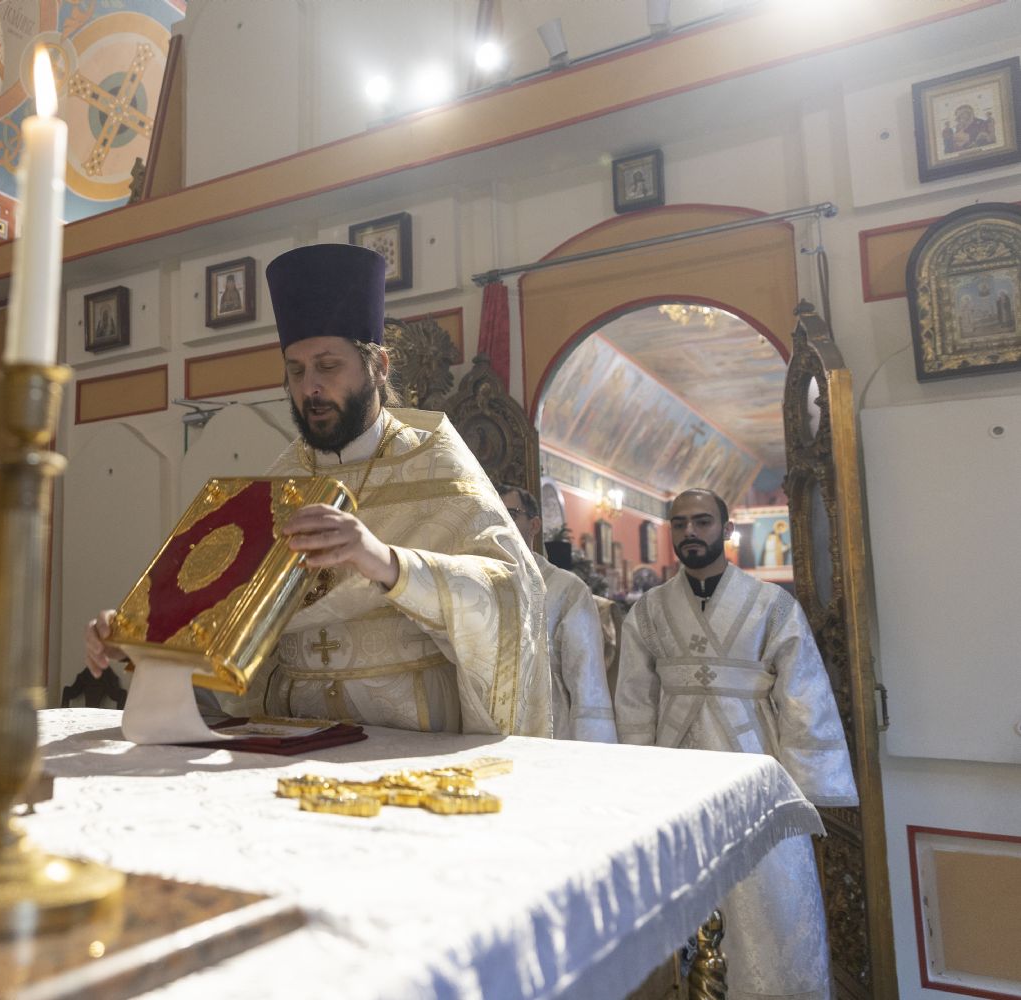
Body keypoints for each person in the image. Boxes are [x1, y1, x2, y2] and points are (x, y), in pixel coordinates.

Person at [86, 243, 552, 737]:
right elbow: (219, 614)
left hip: (409, 736)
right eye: (295, 370)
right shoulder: (282, 481)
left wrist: (387, 563)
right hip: (292, 734)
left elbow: (511, 593)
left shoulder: (437, 464)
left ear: (379, 366)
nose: (309, 387)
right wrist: (139, 635)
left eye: (328, 366)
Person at [614, 488, 857, 1000]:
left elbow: (804, 696)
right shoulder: (649, 611)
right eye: (680, 523)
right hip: (673, 775)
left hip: (756, 772)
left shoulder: (772, 605)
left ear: (726, 530)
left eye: (702, 521)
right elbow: (634, 700)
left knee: (768, 897)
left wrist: (808, 789)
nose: (690, 532)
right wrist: (633, 782)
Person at [501, 486, 616, 742]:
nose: (500, 523)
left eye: (511, 514)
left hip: (551, 732)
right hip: (486, 734)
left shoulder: (567, 589)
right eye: (492, 513)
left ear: (534, 525)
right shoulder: (472, 584)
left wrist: (593, 752)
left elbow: (587, 683)